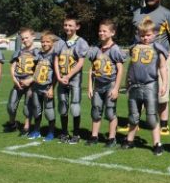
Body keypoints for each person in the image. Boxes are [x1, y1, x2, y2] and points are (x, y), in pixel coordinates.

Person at [129, 0, 170, 136]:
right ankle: (134, 122)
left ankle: (164, 125)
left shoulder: (168, 14)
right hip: (139, 59)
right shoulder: (137, 12)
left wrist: (163, 50)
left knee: (162, 93)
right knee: (137, 90)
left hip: (159, 60)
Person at [123, 17, 169, 155]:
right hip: (134, 85)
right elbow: (131, 65)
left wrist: (164, 84)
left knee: (151, 116)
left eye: (148, 35)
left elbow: (162, 67)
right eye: (142, 35)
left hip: (150, 84)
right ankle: (129, 140)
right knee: (133, 115)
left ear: (154, 34)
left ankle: (157, 143)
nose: (145, 38)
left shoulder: (157, 48)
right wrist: (126, 81)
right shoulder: (134, 47)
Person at [86, 19, 126, 146]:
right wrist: (90, 87)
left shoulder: (115, 49)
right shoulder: (96, 49)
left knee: (110, 112)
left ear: (112, 33)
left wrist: (116, 88)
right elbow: (91, 69)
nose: (101, 33)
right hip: (98, 85)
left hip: (110, 84)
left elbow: (120, 69)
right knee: (96, 111)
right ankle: (94, 136)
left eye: (104, 31)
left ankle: (112, 138)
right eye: (100, 30)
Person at [53, 16, 89, 144]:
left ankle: (76, 134)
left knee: (74, 106)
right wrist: (58, 76)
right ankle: (64, 133)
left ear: (77, 27)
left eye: (70, 25)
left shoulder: (81, 42)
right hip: (61, 78)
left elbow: (80, 63)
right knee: (62, 105)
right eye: (65, 25)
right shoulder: (59, 42)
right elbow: (56, 60)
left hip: (74, 80)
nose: (67, 27)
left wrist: (68, 76)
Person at [4, 28, 38, 135]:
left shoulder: (37, 52)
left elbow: (41, 68)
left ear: (33, 37)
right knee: (10, 106)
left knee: (28, 106)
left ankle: (27, 126)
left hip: (30, 83)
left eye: (27, 38)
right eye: (23, 39)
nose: (24, 40)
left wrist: (30, 80)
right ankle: (12, 123)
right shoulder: (19, 51)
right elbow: (13, 65)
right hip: (18, 81)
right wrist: (14, 79)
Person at [29, 32, 58, 141]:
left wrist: (51, 88)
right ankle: (36, 131)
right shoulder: (39, 55)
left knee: (49, 111)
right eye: (42, 42)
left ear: (52, 43)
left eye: (47, 41)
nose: (44, 43)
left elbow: (56, 74)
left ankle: (51, 132)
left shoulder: (54, 56)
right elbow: (34, 70)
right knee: (37, 109)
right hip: (37, 86)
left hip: (47, 87)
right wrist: (32, 85)